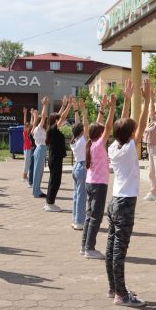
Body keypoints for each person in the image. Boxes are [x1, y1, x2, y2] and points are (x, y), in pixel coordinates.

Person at [106, 79, 151, 307]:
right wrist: (147, 99)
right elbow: (139, 125)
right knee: (119, 250)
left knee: (111, 246)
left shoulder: (114, 147)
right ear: (131, 134)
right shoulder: (129, 148)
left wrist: (126, 100)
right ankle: (121, 294)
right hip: (124, 203)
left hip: (114, 201)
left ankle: (114, 287)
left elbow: (121, 126)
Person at [82, 94, 116, 259]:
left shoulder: (91, 142)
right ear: (100, 134)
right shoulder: (98, 144)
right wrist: (112, 108)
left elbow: (97, 126)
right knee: (95, 217)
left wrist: (102, 108)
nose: (106, 133)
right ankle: (89, 248)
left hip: (90, 182)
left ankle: (84, 246)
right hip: (98, 184)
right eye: (103, 132)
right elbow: (108, 126)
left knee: (89, 216)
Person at [44, 96, 72, 212]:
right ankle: (50, 203)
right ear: (55, 121)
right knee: (55, 181)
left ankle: (49, 202)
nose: (60, 120)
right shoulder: (53, 130)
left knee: (53, 180)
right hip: (55, 159)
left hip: (54, 158)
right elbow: (63, 116)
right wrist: (68, 105)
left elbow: (60, 116)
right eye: (58, 120)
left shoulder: (52, 129)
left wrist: (64, 105)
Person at [69, 98, 89, 229]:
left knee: (76, 195)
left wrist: (76, 109)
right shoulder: (82, 140)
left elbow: (78, 125)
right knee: (82, 196)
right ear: (81, 132)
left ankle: (76, 219)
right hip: (82, 167)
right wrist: (83, 110)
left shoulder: (75, 140)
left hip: (76, 167)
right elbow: (85, 125)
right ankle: (79, 222)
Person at [31, 97, 49, 199]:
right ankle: (36, 192)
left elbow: (40, 118)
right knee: (38, 171)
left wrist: (34, 116)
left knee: (38, 171)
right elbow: (43, 116)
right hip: (41, 148)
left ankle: (36, 190)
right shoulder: (39, 128)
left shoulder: (35, 129)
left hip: (39, 149)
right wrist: (45, 105)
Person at [22, 107, 33, 182]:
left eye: (28, 126)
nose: (27, 127)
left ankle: (26, 176)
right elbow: (25, 122)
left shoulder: (30, 132)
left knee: (28, 163)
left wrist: (32, 115)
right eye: (26, 126)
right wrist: (25, 114)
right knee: (26, 163)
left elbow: (32, 123)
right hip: (26, 149)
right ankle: (24, 177)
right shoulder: (25, 132)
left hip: (29, 149)